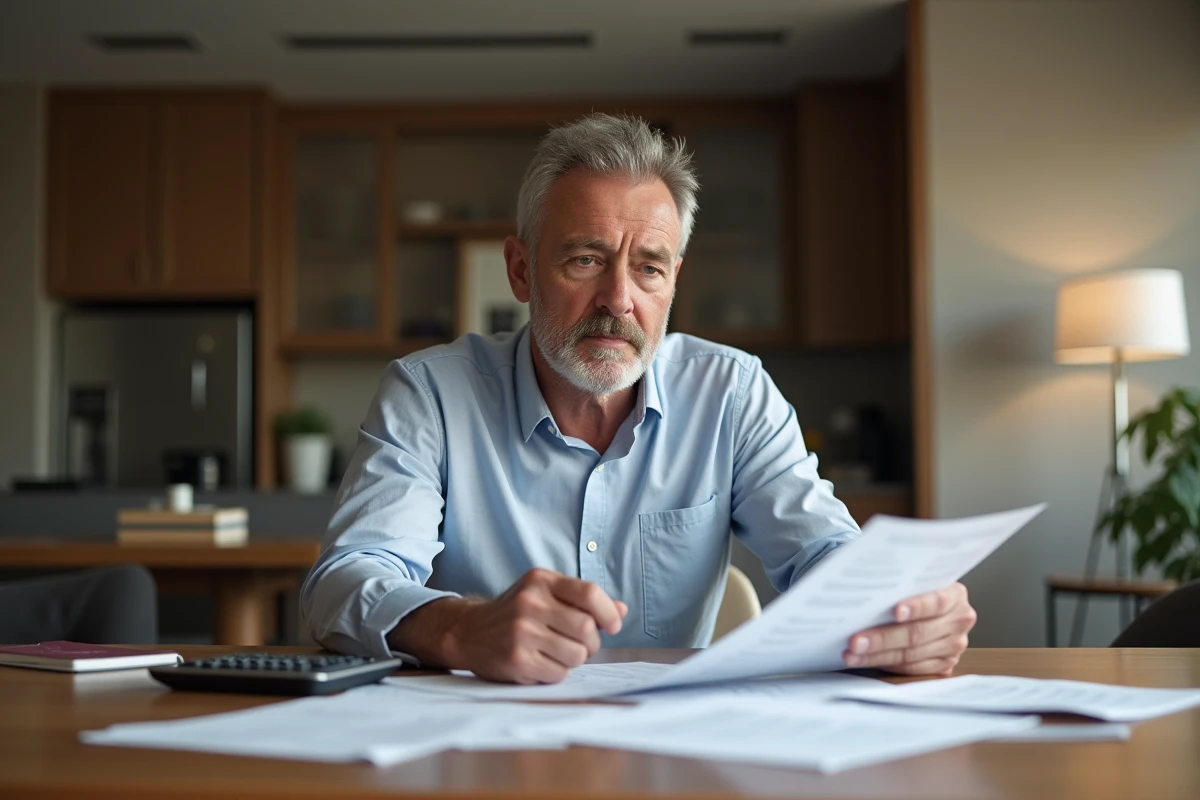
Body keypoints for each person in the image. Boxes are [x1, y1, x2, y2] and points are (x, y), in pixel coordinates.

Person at [301, 114, 976, 684]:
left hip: (674, 755)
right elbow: (344, 581)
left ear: (673, 282)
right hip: (475, 752)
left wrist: (898, 611)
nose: (619, 299)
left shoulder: (732, 393)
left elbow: (823, 552)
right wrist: (459, 628)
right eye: (586, 259)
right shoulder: (430, 395)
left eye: (648, 267)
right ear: (520, 270)